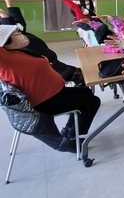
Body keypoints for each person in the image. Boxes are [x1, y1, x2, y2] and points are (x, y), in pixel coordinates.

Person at [0, 25, 101, 153]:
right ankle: (71, 140)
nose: (21, 35)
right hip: (45, 102)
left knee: (86, 92)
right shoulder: (5, 60)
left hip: (55, 94)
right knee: (92, 102)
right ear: (4, 42)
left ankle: (68, 130)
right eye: (16, 34)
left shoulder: (18, 51)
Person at [0, 0, 86, 87]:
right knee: (67, 74)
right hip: (41, 60)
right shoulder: (14, 43)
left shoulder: (20, 33)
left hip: (46, 57)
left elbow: (18, 24)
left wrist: (8, 2)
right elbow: (9, 27)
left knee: (73, 74)